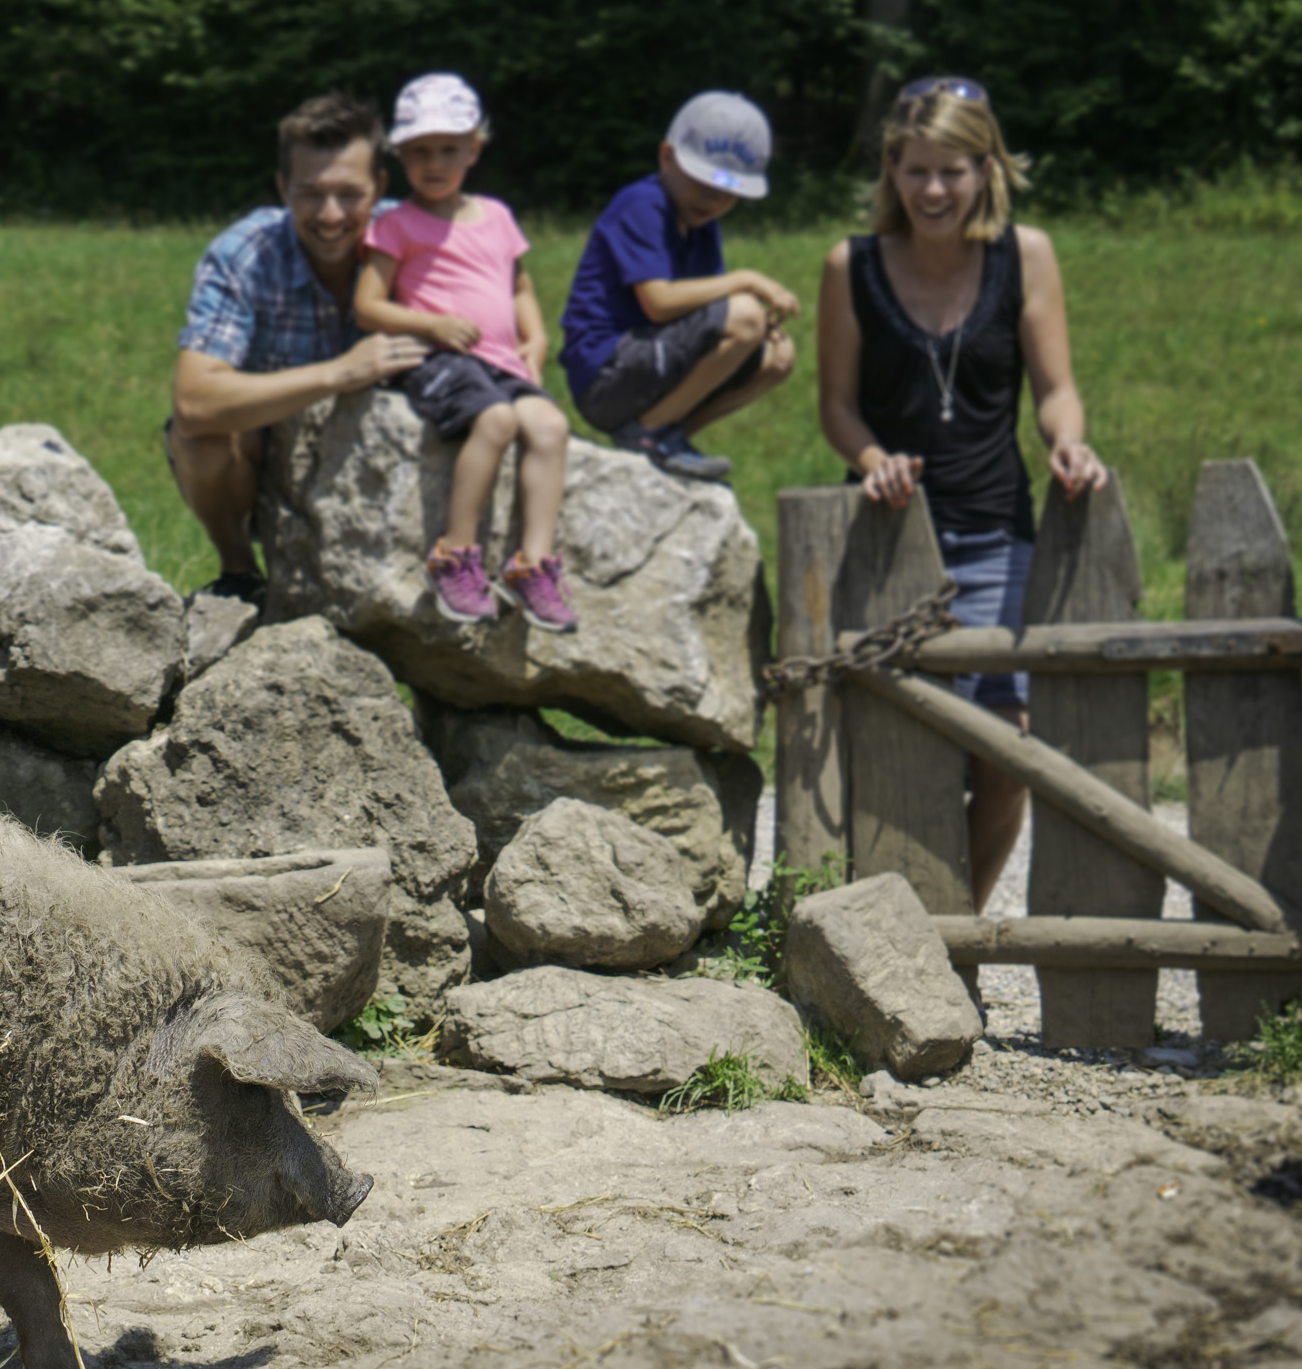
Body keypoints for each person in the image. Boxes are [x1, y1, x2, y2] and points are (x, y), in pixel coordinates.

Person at [814, 77, 1109, 911]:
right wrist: (871, 456)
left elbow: (1056, 386)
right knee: (902, 750)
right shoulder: (853, 264)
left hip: (992, 533)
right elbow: (836, 406)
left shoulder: (1026, 254)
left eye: (952, 171)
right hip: (887, 536)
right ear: (891, 171)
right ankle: (886, 930)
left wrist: (1067, 440)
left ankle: (953, 927)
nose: (933, 191)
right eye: (916, 171)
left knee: (1006, 756)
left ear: (987, 169)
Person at [170, 92, 432, 602]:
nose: (331, 214)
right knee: (200, 438)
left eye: (350, 194)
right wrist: (338, 373)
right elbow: (193, 402)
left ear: (379, 187)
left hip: (392, 464)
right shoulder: (244, 252)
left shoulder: (420, 240)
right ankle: (240, 575)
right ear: (283, 188)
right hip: (266, 465)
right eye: (311, 193)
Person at [351, 73, 575, 631]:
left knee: (549, 427)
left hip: (501, 360)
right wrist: (432, 324)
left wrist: (538, 337)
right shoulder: (396, 223)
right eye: (420, 152)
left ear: (474, 150)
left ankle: (533, 564)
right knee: (496, 420)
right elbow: (367, 305)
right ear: (400, 155)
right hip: (437, 356)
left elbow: (518, 285)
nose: (435, 163)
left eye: (448, 149)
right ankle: (454, 553)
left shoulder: (497, 216)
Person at [557, 91, 800, 483]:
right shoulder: (643, 204)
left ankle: (668, 436)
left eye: (729, 193)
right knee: (745, 316)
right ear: (666, 157)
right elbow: (659, 303)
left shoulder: (703, 228)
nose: (714, 199)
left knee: (779, 355)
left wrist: (759, 326)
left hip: (648, 363)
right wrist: (745, 279)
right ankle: (648, 434)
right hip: (604, 374)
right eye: (703, 180)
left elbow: (710, 310)